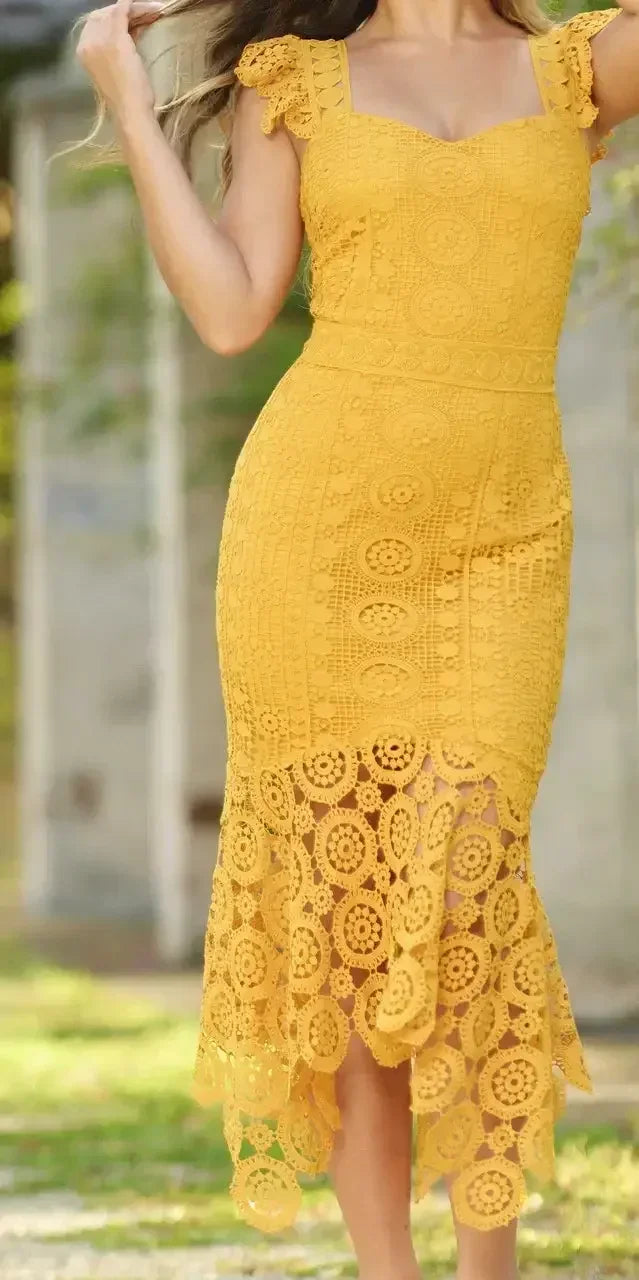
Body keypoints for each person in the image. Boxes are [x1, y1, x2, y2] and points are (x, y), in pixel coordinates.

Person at [75, 1, 639, 1277]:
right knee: (345, 925)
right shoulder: (297, 85)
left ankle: (487, 1268)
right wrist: (122, 88)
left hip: (501, 540)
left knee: (464, 892)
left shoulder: (583, 64)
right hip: (314, 533)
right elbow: (229, 311)